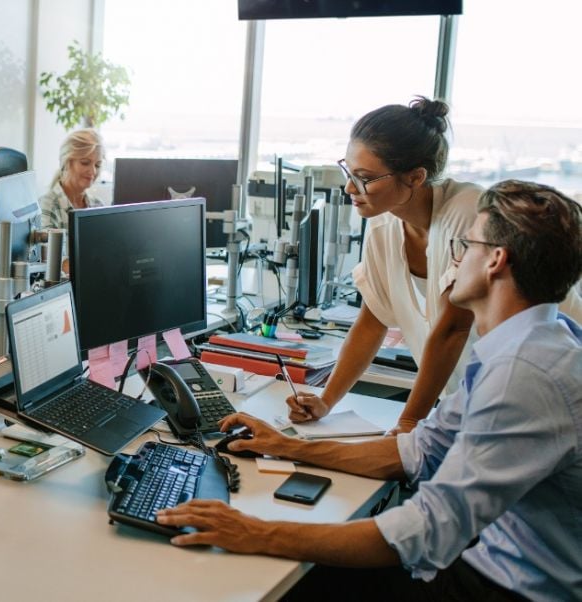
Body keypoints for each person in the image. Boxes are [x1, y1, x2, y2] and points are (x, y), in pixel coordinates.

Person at [157, 180, 582, 601]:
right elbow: (416, 451)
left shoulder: (523, 373)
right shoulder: (530, 344)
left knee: (274, 582)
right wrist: (285, 446)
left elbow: (427, 529)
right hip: (488, 564)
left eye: (466, 246)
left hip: (504, 590)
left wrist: (257, 530)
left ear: (495, 261)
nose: (455, 260)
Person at [287, 97, 582, 433]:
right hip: (478, 399)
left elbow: (452, 330)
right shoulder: (384, 226)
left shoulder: (470, 215)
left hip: (544, 392)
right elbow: (372, 323)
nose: (349, 187)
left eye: (365, 177)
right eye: (348, 172)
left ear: (415, 177)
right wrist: (326, 400)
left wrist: (409, 423)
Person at [38, 128, 106, 230]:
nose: (93, 171)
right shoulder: (47, 206)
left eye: (97, 165)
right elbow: (48, 246)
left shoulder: (98, 205)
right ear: (67, 162)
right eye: (85, 163)